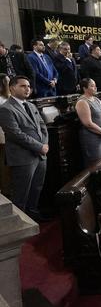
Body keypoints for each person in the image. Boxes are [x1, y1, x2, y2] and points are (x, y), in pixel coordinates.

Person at [0, 76, 48, 220]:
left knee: (36, 188)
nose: (27, 89)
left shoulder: (31, 105)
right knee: (21, 193)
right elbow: (16, 134)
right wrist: (40, 146)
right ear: (12, 87)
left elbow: (43, 127)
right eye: (23, 86)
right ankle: (20, 222)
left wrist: (44, 144)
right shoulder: (5, 109)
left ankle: (33, 216)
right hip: (23, 157)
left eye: (28, 86)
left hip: (40, 155)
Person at [75, 78, 101, 167]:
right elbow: (88, 123)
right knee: (95, 164)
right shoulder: (82, 102)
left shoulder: (97, 100)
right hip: (91, 138)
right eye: (92, 86)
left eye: (95, 85)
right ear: (84, 88)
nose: (95, 88)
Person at [0, 74, 11, 195]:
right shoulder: (1, 100)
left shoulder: (6, 98)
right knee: (3, 162)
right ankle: (5, 190)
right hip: (3, 134)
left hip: (5, 132)